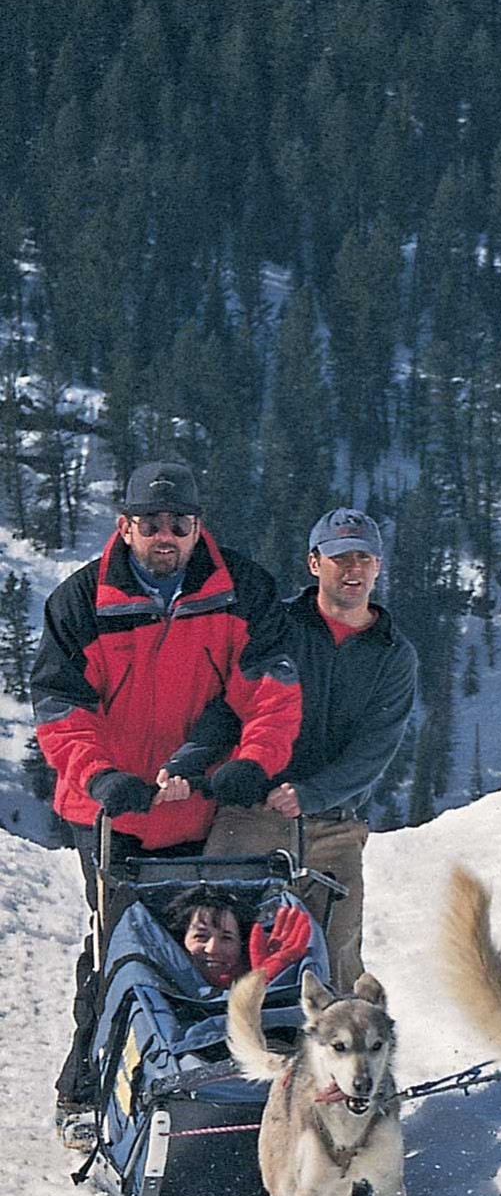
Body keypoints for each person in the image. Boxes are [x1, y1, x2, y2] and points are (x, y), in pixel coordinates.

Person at [32, 459, 301, 1143]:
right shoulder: (81, 602)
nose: (165, 535)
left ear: (197, 527)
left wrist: (253, 761)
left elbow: (270, 689)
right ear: (124, 526)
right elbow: (61, 709)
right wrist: (100, 777)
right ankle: (85, 1086)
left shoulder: (240, 590)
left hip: (195, 806)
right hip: (112, 812)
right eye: (150, 522)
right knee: (119, 947)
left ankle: (201, 1082)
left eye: (178, 523)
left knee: (208, 948)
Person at [197, 508, 418, 992]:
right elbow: (231, 703)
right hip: (251, 814)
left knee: (337, 960)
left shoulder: (393, 654)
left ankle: (346, 1041)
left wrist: (313, 793)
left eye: (363, 558)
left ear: (378, 566)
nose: (353, 569)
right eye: (340, 558)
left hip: (332, 828)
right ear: (315, 563)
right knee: (217, 944)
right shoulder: (276, 626)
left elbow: (375, 747)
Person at [162, 885, 311, 990]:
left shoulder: (256, 968)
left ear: (241, 944)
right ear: (182, 939)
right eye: (201, 936)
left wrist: (263, 981)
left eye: (226, 938)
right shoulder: (162, 978)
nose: (212, 949)